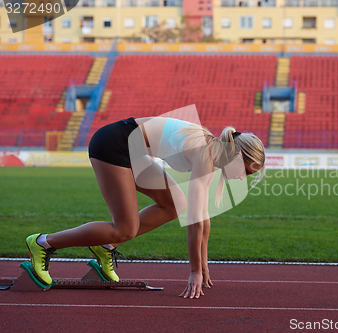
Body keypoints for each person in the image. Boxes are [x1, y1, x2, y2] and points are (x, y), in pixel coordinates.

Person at [25, 115, 265, 299]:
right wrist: (195, 272)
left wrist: (204, 265)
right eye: (246, 171)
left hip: (134, 152)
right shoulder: (207, 153)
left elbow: (203, 219)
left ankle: (106, 247)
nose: (243, 178)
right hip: (114, 144)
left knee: (175, 205)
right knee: (125, 229)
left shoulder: (213, 156)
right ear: (236, 155)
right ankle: (43, 243)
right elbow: (194, 222)